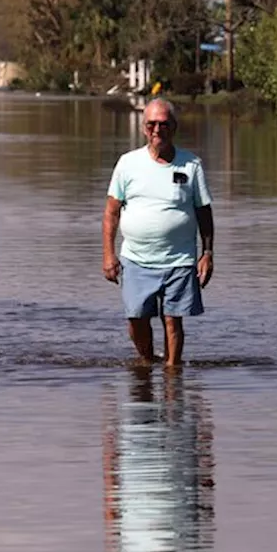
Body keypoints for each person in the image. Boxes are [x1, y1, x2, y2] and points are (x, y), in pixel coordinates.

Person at [102, 99, 214, 367]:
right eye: (151, 124)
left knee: (173, 320)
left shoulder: (192, 165)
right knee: (136, 319)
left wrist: (207, 253)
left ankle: (172, 374)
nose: (157, 130)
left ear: (173, 127)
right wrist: (108, 254)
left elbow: (204, 214)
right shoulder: (127, 164)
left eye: (164, 124)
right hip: (136, 259)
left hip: (180, 260)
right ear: (143, 128)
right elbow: (111, 212)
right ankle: (147, 362)